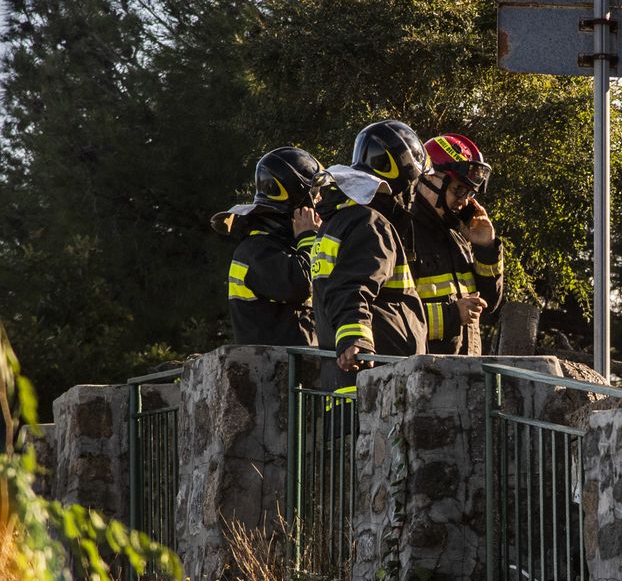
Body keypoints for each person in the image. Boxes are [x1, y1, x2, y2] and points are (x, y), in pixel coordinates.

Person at [312, 119, 429, 392]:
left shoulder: (338, 221)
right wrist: (356, 337)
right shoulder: (369, 222)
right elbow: (352, 285)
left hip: (345, 383)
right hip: (376, 382)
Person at [212, 147, 333, 346]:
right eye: (316, 193)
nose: (319, 200)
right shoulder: (256, 250)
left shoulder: (280, 248)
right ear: (298, 197)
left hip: (296, 368)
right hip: (273, 371)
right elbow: (302, 285)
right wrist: (309, 237)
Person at [412, 133, 503, 355]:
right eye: (458, 190)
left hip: (465, 376)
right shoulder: (401, 234)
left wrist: (486, 248)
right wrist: (452, 315)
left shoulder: (458, 236)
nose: (464, 202)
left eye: (470, 193)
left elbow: (490, 305)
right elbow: (391, 321)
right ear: (429, 179)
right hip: (420, 379)